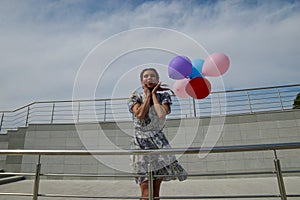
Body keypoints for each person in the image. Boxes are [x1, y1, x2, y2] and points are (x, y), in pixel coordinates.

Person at [128, 68, 187, 200]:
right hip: (140, 145)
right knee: (145, 193)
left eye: (152, 76)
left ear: (157, 80)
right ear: (141, 81)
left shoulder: (164, 97)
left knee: (155, 194)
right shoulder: (135, 97)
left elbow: (161, 115)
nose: (149, 78)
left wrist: (154, 94)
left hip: (158, 146)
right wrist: (147, 95)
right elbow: (140, 115)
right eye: (146, 76)